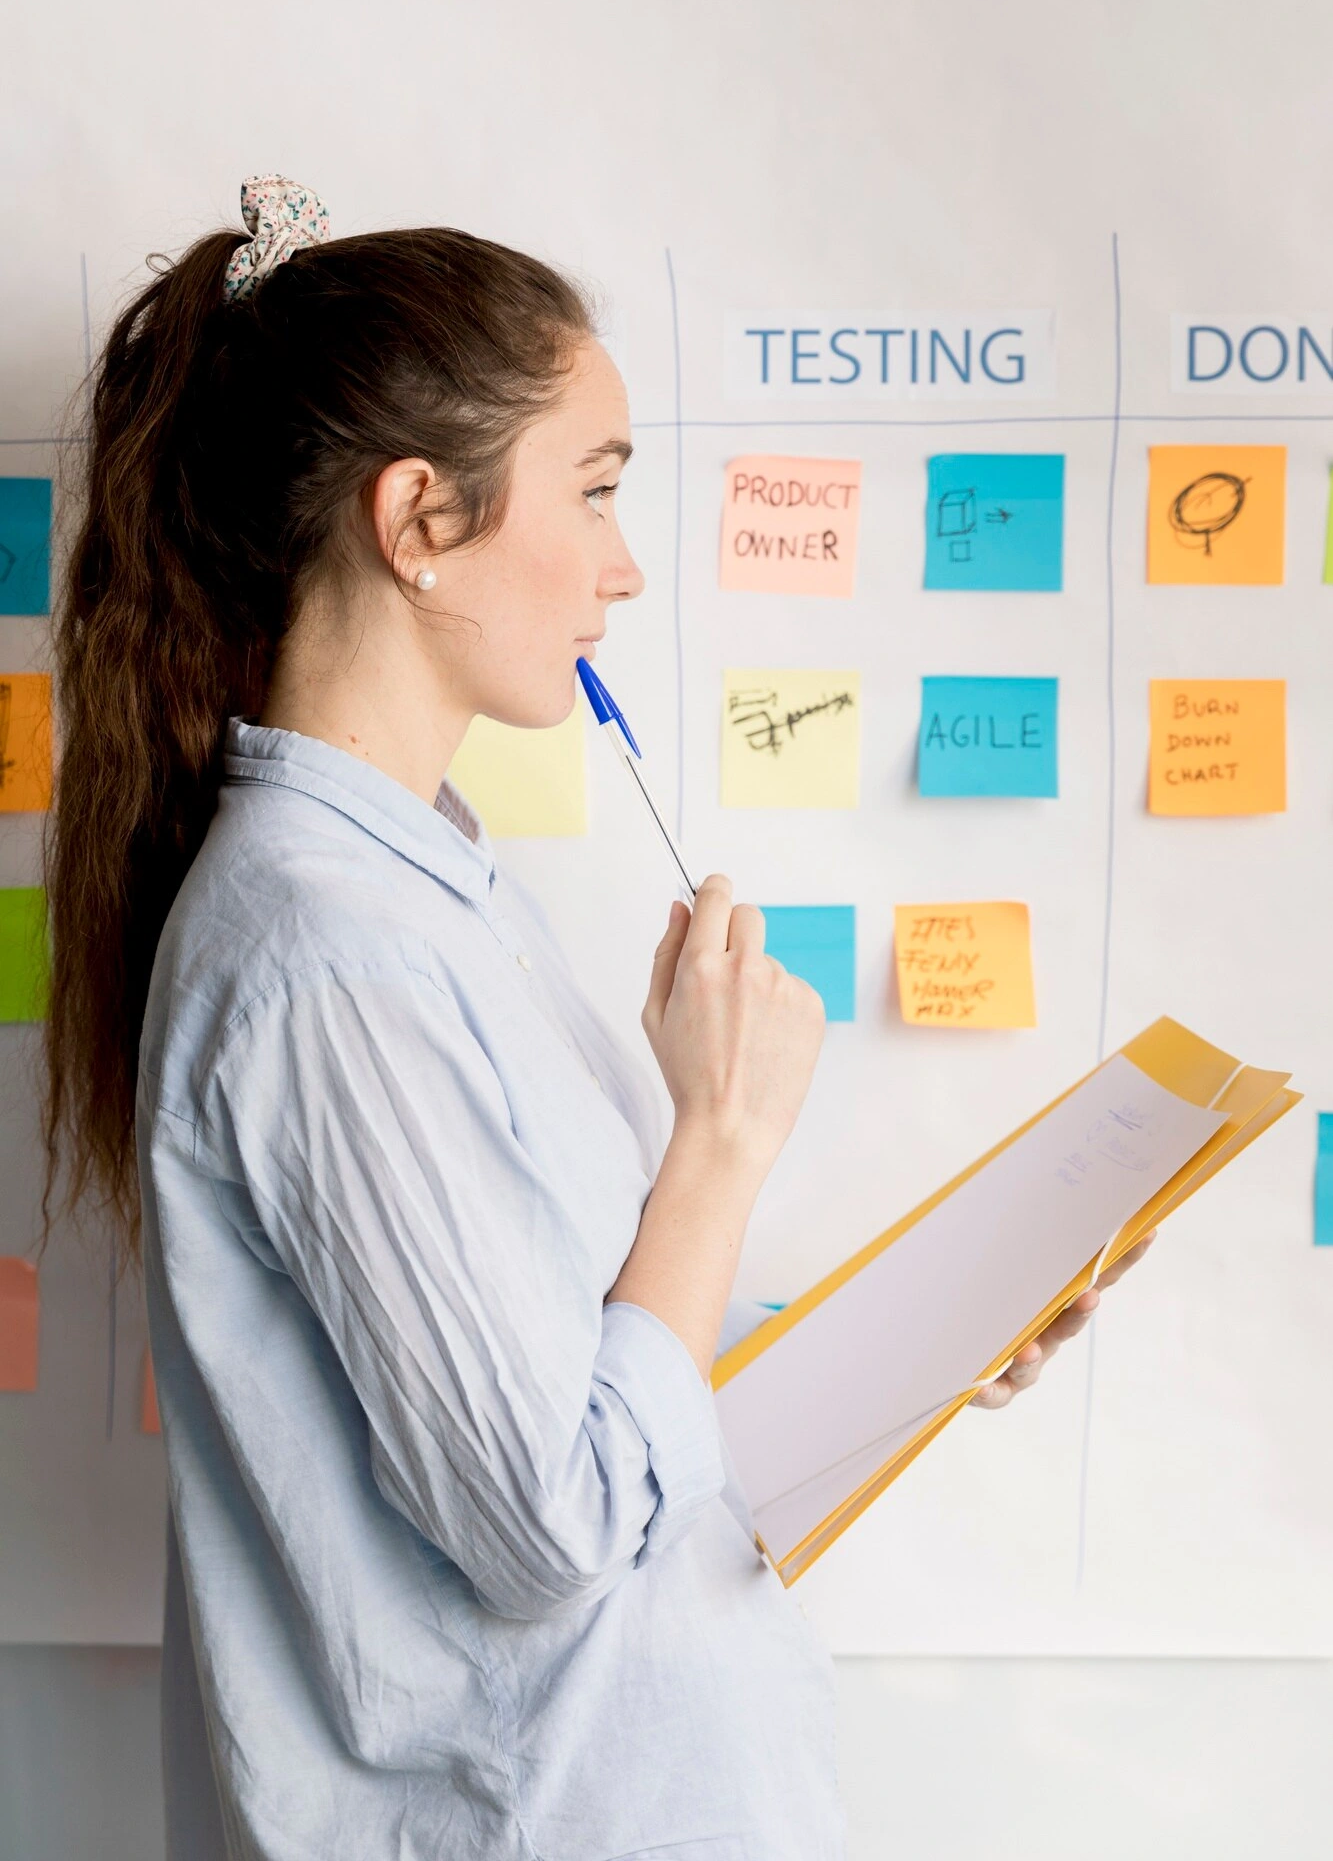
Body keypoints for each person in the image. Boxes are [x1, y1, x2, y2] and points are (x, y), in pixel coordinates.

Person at [39, 176, 1150, 1860]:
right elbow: (549, 1524)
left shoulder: (429, 891)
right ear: (419, 519)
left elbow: (591, 1361)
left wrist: (917, 1339)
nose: (627, 569)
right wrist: (719, 1139)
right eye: (600, 490)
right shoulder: (326, 959)